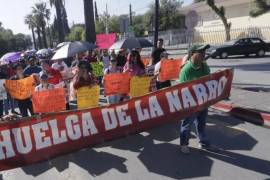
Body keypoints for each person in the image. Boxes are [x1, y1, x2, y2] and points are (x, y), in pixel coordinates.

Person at [179, 44, 213, 154]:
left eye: (204, 52)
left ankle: (203, 142)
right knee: (187, 125)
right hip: (191, 104)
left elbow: (208, 81)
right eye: (200, 52)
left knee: (201, 124)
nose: (203, 54)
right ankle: (184, 144)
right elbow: (183, 92)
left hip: (203, 102)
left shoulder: (204, 66)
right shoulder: (186, 71)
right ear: (192, 54)